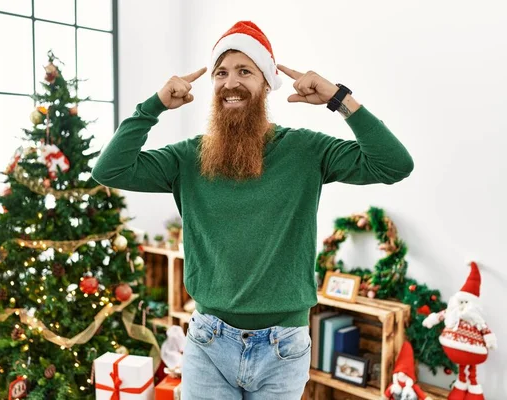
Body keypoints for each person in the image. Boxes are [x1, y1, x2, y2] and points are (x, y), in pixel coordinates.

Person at [92, 20, 413, 400]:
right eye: (221, 73)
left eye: (245, 71)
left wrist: (338, 98)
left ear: (266, 83)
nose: (231, 83)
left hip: (283, 347)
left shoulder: (305, 151)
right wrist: (153, 106)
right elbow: (109, 170)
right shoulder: (187, 158)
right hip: (208, 342)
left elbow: (394, 165)